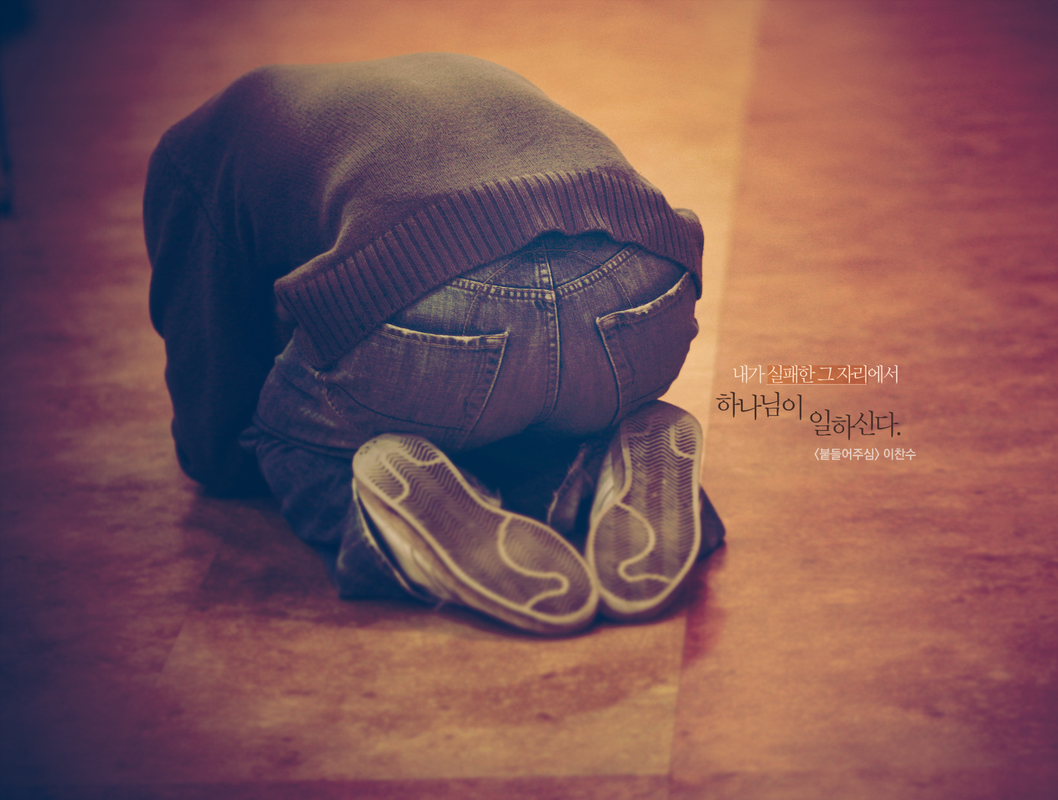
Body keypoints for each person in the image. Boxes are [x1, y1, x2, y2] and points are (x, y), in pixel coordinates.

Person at [144, 52, 721, 635]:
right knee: (519, 401)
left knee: (283, 438)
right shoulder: (453, 71)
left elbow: (216, 446)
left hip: (440, 307)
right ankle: (587, 472)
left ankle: (399, 540)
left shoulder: (189, 153)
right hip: (648, 289)